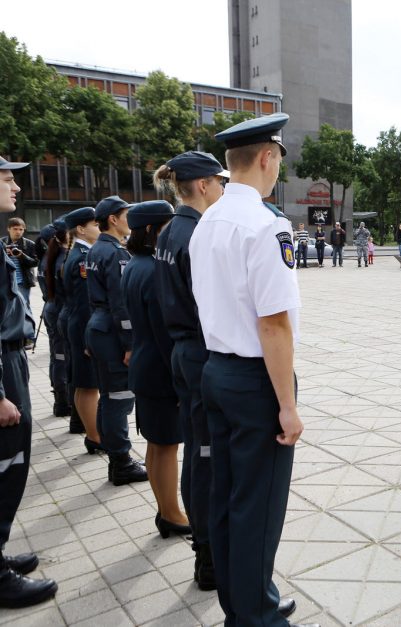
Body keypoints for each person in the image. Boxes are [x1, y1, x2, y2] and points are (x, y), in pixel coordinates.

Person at [189, 113, 301, 624]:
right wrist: (288, 406)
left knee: (229, 496)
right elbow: (274, 324)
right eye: (278, 158)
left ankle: (244, 602)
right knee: (258, 508)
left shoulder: (204, 221)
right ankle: (257, 616)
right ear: (266, 157)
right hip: (255, 382)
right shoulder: (266, 224)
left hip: (215, 370)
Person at [153, 149, 228, 590]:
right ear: (202, 185)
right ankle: (210, 555)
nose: (221, 189)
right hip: (201, 353)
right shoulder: (196, 235)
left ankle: (208, 548)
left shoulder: (170, 231)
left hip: (182, 352)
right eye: (218, 183)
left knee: (199, 452)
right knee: (207, 458)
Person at [0, 157, 58, 609]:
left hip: (11, 359)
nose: (16, 185)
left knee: (13, 461)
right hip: (2, 367)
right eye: (6, 178)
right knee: (6, 461)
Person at [122, 201, 191, 539]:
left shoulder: (136, 264)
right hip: (161, 370)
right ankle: (171, 513)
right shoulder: (153, 270)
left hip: (145, 365)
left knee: (156, 444)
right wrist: (180, 381)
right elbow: (165, 333)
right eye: (165, 227)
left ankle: (166, 510)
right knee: (166, 446)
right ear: (151, 231)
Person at [85, 196, 148, 486]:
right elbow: (120, 303)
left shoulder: (97, 249)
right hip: (112, 332)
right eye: (126, 215)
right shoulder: (114, 253)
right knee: (119, 398)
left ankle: (116, 457)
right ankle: (121, 461)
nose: (129, 221)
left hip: (99, 327)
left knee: (109, 397)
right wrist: (129, 344)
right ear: (113, 219)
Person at [60, 207, 104, 450]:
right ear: (81, 229)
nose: (99, 229)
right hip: (82, 324)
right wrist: (90, 339)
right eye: (95, 225)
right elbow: (86, 302)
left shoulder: (78, 253)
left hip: (75, 322)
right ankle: (95, 437)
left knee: (83, 382)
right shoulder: (83, 257)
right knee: (88, 384)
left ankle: (92, 433)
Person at [42, 221, 71, 417]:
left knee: (57, 356)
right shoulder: (62, 259)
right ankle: (63, 400)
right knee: (61, 356)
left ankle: (60, 398)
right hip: (60, 310)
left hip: (51, 308)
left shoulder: (49, 257)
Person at [1, 217, 38, 319]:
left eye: (21, 229)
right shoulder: (2, 243)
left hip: (23, 281)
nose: (18, 232)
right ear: (9, 229)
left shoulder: (29, 244)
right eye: (15, 229)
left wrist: (21, 255)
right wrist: (4, 254)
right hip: (6, 281)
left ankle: (27, 330)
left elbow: (35, 263)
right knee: (7, 308)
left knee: (24, 305)